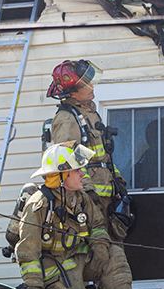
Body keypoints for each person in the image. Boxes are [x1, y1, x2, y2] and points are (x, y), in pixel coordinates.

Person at [15, 141, 141, 289]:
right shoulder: (39, 205)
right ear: (61, 176)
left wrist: (100, 246)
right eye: (77, 171)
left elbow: (97, 225)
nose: (83, 174)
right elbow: (28, 251)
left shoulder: (81, 198)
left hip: (78, 258)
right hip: (53, 266)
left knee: (114, 254)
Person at [47, 59, 132, 241]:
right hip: (92, 201)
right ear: (73, 91)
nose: (92, 86)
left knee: (114, 249)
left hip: (107, 198)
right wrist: (88, 194)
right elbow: (70, 161)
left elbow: (102, 158)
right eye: (86, 83)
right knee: (99, 248)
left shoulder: (89, 114)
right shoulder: (67, 119)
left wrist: (118, 181)